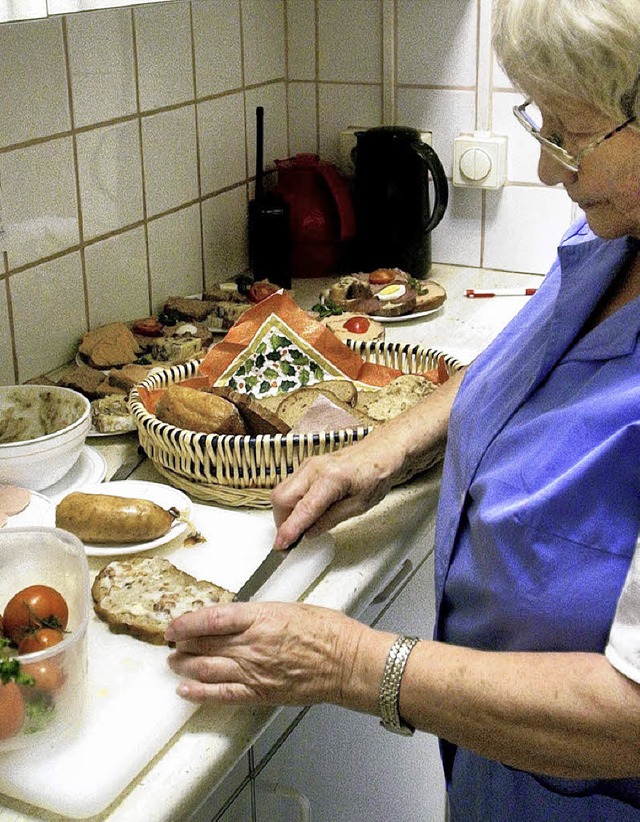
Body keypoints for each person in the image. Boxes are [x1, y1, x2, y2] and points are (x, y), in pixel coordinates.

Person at [164, 0, 640, 817]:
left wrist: (352, 664)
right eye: (544, 127)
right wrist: (383, 450)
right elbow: (523, 369)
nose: (548, 172)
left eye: (571, 134)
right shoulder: (614, 237)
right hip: (501, 770)